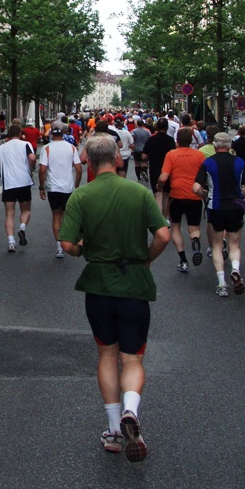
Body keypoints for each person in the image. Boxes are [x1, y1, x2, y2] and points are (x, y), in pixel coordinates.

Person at [59, 134, 170, 461]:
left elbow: (67, 245)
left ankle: (112, 430)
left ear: (89, 163)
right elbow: (163, 235)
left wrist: (83, 250)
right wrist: (147, 258)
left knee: (107, 355)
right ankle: (131, 411)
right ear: (119, 159)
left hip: (99, 286)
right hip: (134, 285)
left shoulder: (81, 196)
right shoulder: (139, 192)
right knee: (133, 358)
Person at [193, 131, 245, 297]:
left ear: (214, 145)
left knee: (217, 245)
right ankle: (235, 269)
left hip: (216, 207)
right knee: (234, 244)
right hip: (235, 207)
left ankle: (221, 284)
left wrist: (206, 195)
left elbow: (196, 188)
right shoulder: (239, 162)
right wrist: (241, 196)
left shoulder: (208, 163)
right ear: (229, 146)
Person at [157, 127, 206, 273]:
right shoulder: (199, 155)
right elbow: (205, 175)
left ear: (177, 140)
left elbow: (164, 177)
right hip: (194, 195)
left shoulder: (171, 155)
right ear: (191, 140)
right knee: (194, 227)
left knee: (176, 226)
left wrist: (159, 186)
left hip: (176, 194)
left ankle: (183, 260)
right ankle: (195, 239)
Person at [38, 121, 82, 258]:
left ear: (51, 133)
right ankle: (67, 241)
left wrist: (41, 186)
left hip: (53, 187)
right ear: (64, 133)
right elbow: (79, 168)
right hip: (68, 187)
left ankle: (59, 247)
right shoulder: (71, 148)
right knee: (66, 215)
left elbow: (42, 169)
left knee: (56, 215)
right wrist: (77, 183)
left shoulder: (46, 148)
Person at [0, 123, 37, 252]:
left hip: (9, 183)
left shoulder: (2, 147)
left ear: (9, 135)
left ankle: (11, 242)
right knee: (26, 210)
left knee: (9, 213)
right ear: (20, 134)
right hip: (24, 182)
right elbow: (32, 157)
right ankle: (22, 228)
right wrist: (32, 166)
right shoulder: (25, 144)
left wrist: (2, 167)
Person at [144, 118, 175, 220]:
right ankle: (165, 219)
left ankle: (159, 220)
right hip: (168, 171)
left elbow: (144, 156)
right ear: (167, 128)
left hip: (154, 169)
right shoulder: (170, 140)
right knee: (166, 196)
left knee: (158, 195)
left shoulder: (151, 139)